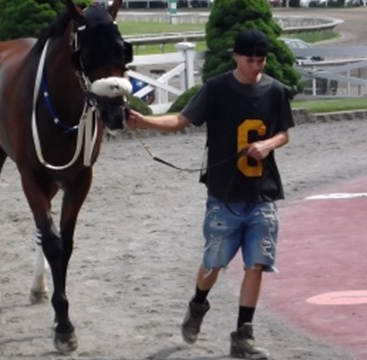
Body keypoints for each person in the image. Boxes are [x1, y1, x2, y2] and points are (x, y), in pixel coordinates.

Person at [127, 29, 295, 359]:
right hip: (224, 197)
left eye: (261, 60)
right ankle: (198, 303)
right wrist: (143, 121)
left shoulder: (275, 91)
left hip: (263, 195)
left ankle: (242, 335)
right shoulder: (216, 89)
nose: (257, 66)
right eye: (251, 60)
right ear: (236, 56)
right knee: (213, 265)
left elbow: (284, 134)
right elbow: (180, 120)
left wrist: (269, 144)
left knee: (256, 264)